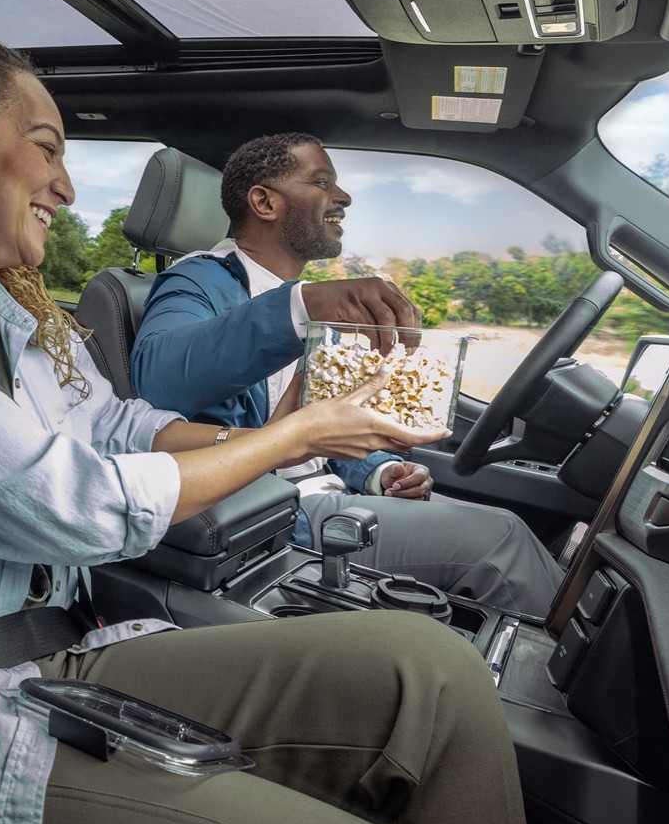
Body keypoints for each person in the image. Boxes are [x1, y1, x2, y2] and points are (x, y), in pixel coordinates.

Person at [0, 0, 530, 824]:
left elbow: (121, 424)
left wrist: (323, 434)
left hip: (58, 658)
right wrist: (294, 435)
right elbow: (63, 500)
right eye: (46, 148)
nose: (67, 185)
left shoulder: (24, 321)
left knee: (436, 673)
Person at [131, 133, 564, 614]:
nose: (343, 197)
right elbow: (159, 378)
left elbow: (321, 423)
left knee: (503, 529)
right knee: (502, 539)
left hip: (328, 494)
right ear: (264, 201)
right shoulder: (199, 279)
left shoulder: (305, 299)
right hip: (273, 510)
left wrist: (379, 473)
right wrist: (299, 307)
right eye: (321, 182)